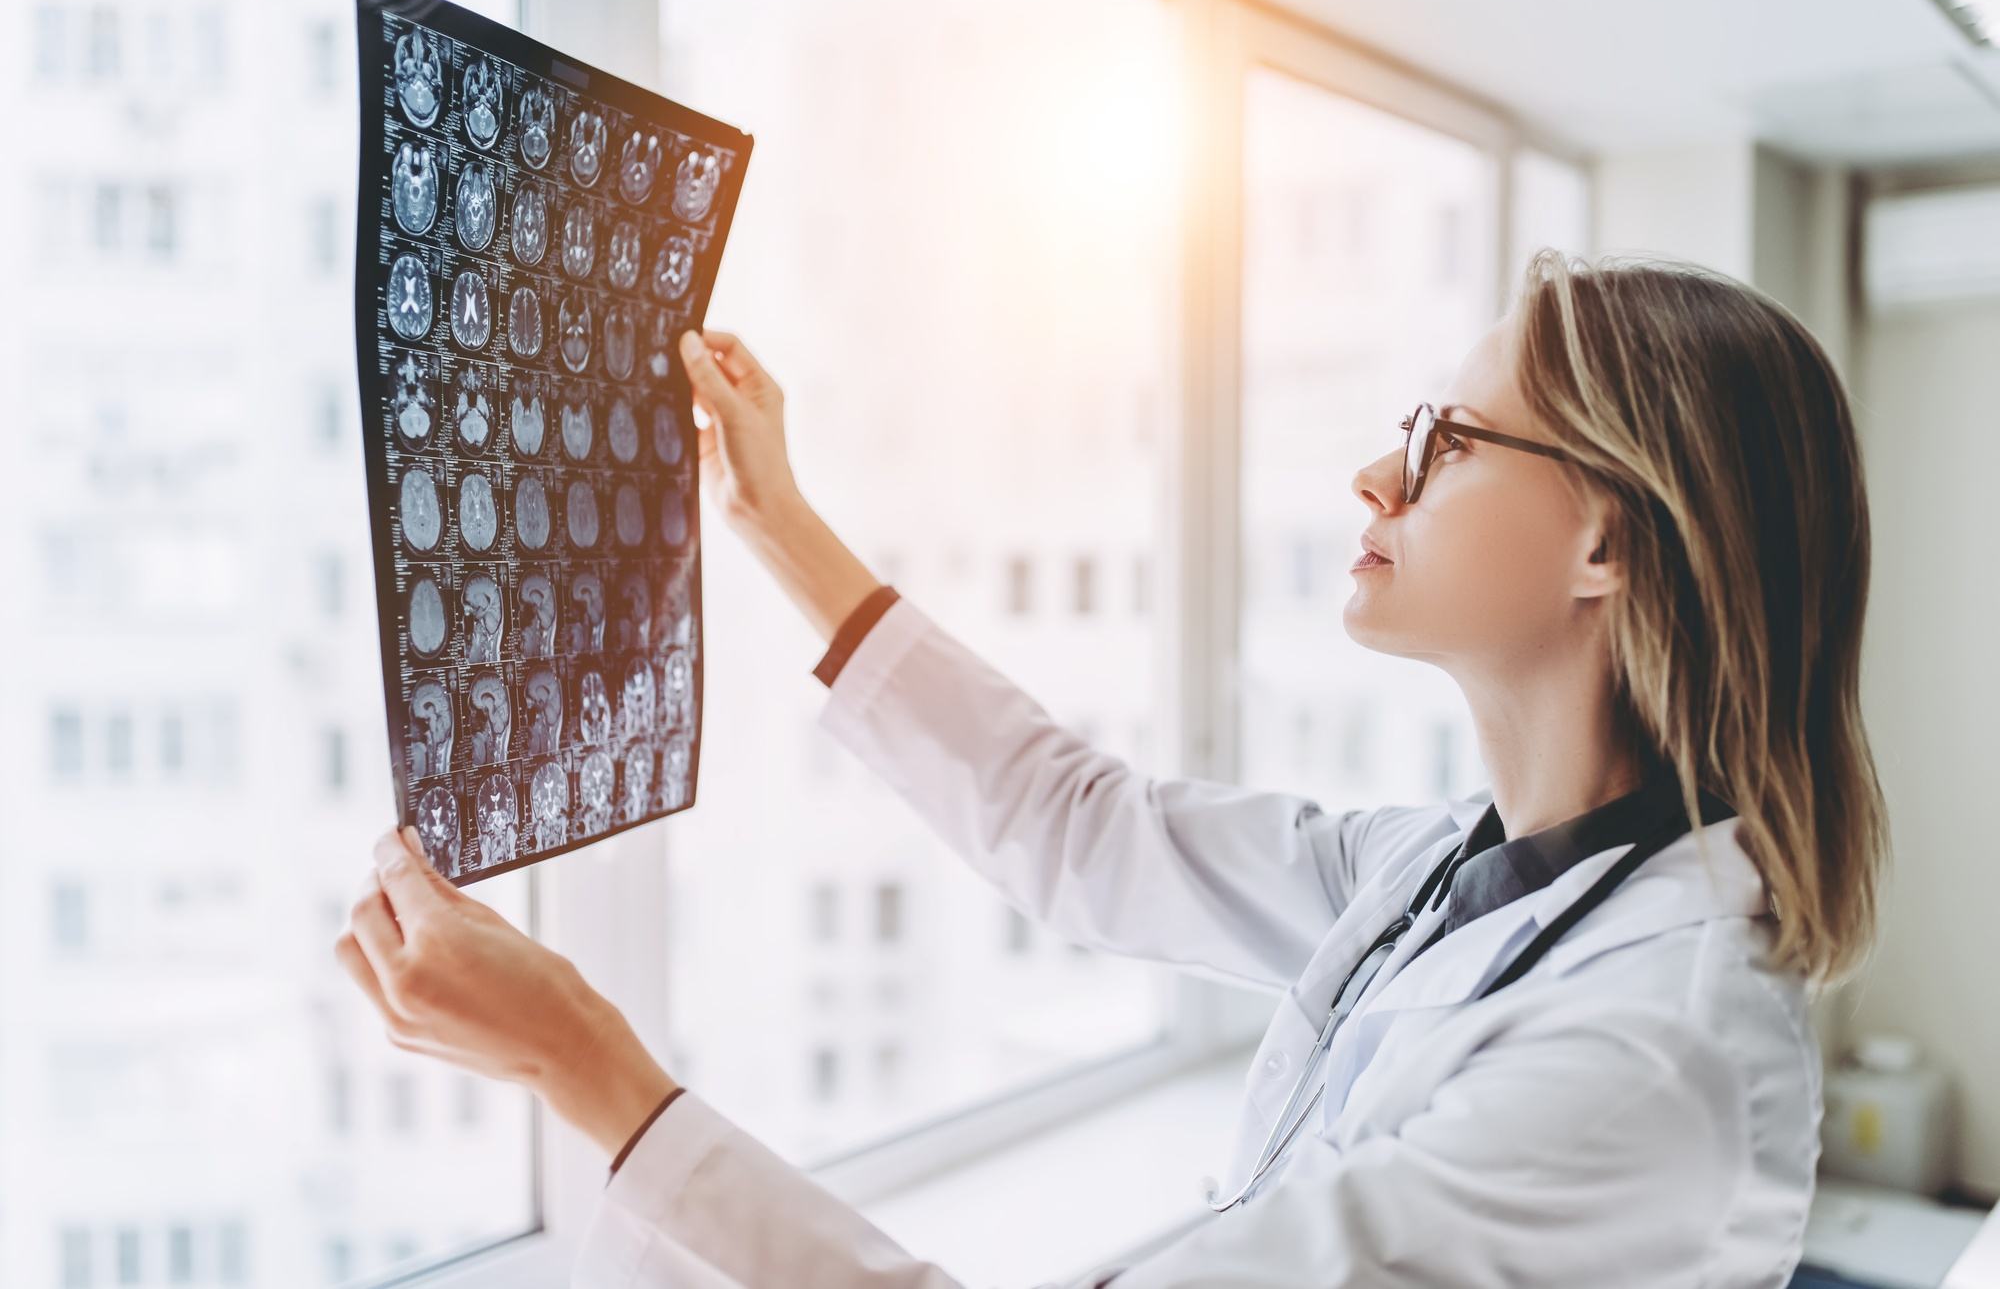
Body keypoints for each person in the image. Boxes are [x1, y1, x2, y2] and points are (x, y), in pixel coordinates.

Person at [335, 251, 1889, 1287]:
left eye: (1448, 441)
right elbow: (1088, 836)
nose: (1374, 473)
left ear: (1608, 539)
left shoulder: (1640, 1056)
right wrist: (778, 529)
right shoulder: (1459, 873)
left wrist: (589, 1071)